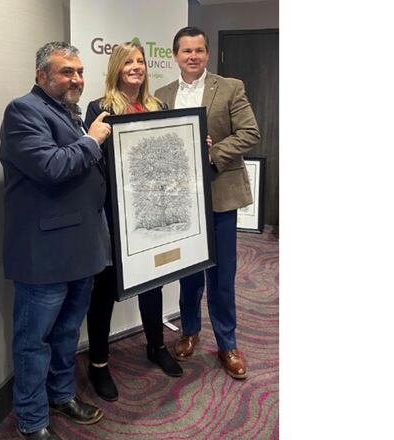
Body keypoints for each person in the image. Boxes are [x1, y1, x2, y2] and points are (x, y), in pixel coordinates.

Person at [0, 41, 113, 440]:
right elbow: (50, 167)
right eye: (67, 72)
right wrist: (92, 140)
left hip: (81, 248)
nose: (77, 79)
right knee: (35, 343)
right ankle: (32, 422)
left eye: (80, 71)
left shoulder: (71, 112)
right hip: (44, 254)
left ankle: (61, 395)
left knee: (67, 334)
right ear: (41, 76)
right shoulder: (22, 111)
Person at [154, 26, 261, 380]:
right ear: (175, 55)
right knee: (187, 273)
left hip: (219, 193)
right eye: (186, 51)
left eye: (199, 50)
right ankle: (189, 331)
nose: (193, 56)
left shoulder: (229, 87)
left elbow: (249, 133)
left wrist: (212, 152)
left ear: (207, 53)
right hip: (181, 199)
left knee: (222, 274)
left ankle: (227, 343)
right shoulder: (162, 94)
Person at [83, 42, 183, 402]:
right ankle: (98, 364)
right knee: (106, 288)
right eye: (128, 61)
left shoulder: (158, 106)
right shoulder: (100, 108)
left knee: (152, 281)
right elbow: (93, 161)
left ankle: (156, 346)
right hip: (113, 213)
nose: (136, 66)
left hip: (150, 211)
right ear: (116, 67)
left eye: (140, 61)